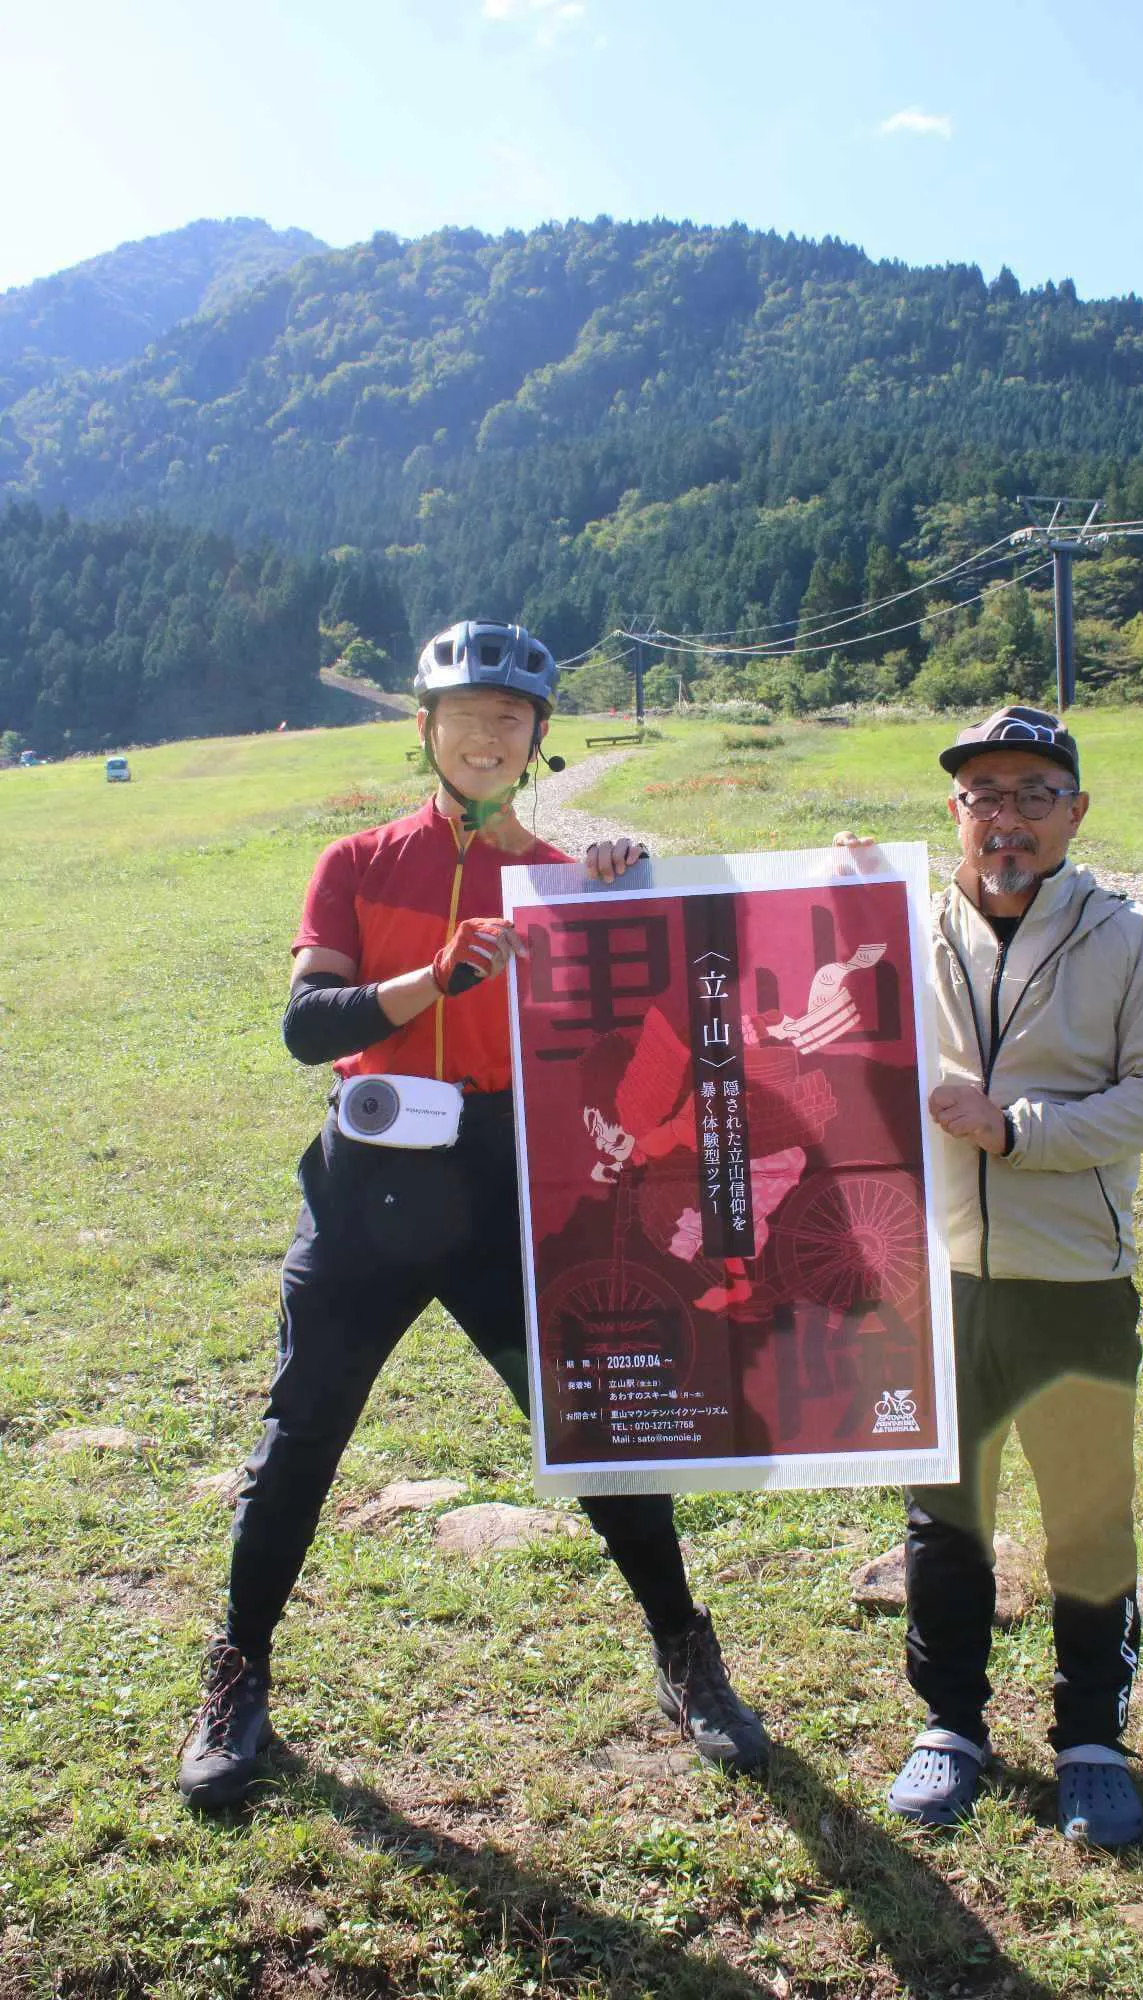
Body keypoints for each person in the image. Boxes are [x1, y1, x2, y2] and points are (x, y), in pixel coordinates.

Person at [179, 619, 769, 1809]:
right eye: (465, 716)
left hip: (505, 1186)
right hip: (369, 1182)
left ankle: (684, 1650)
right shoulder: (355, 862)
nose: (487, 736)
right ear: (425, 729)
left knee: (591, 1420)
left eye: (512, 719)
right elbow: (306, 1026)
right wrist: (429, 978)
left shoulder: (558, 880)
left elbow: (653, 1007)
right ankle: (236, 1674)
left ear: (538, 738)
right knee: (301, 1433)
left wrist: (628, 892)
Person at [853, 704, 1143, 1846]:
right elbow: (783, 981)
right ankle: (949, 1725)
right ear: (954, 812)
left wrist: (1015, 1127)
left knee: (1086, 1516)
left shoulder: (1130, 937)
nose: (1006, 819)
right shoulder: (905, 925)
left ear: (1074, 812)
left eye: (1033, 795)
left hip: (1075, 1280)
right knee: (943, 1515)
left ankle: (1091, 1739)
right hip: (934, 1276)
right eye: (984, 796)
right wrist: (828, 895)